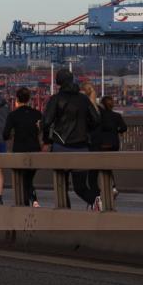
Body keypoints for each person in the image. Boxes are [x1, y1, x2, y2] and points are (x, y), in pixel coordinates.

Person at [42, 69, 101, 210]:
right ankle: (97, 202)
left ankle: (65, 214)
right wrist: (86, 131)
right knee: (80, 187)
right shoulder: (83, 99)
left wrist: (47, 141)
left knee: (61, 186)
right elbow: (96, 119)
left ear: (58, 82)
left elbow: (46, 122)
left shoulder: (55, 99)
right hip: (82, 147)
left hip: (60, 147)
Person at [3, 87, 43, 207]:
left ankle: (28, 202)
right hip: (35, 149)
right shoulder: (37, 114)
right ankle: (33, 199)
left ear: (17, 99)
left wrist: (12, 135)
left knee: (23, 179)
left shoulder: (13, 115)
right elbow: (44, 130)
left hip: (19, 149)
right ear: (29, 99)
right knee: (28, 179)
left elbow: (5, 134)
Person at [95, 94, 128, 198]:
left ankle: (103, 188)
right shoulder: (117, 116)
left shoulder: (100, 116)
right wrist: (116, 130)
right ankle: (112, 187)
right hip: (114, 144)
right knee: (108, 166)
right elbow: (124, 128)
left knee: (100, 166)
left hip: (102, 144)